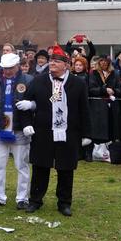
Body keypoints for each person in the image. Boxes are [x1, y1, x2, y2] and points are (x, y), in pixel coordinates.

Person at [18, 44, 91, 216]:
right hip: (43, 131)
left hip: (69, 132)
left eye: (57, 61)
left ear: (66, 65)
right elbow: (26, 105)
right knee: (40, 167)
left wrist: (87, 133)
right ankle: (35, 200)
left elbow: (84, 110)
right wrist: (27, 124)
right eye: (51, 61)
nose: (52, 64)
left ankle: (64, 202)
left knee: (66, 169)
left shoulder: (78, 84)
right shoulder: (39, 81)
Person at [0, 53, 33, 209]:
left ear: (18, 66)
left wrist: (31, 104)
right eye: (4, 68)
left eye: (10, 68)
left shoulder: (28, 80)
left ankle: (22, 198)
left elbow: (38, 102)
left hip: (19, 130)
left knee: (22, 165)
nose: (7, 72)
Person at [87, 56, 121, 158]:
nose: (103, 63)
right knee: (96, 130)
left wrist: (113, 91)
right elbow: (91, 89)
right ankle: (93, 153)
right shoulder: (93, 74)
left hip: (112, 105)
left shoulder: (115, 74)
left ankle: (110, 153)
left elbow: (119, 89)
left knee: (112, 129)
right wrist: (104, 90)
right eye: (101, 61)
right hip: (98, 107)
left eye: (106, 61)